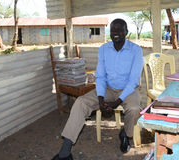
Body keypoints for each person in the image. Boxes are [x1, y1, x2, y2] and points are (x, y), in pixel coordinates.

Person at [52, 18, 144, 160]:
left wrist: (117, 102)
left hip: (129, 90)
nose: (116, 33)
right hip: (107, 88)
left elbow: (133, 81)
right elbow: (100, 77)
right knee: (81, 102)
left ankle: (125, 134)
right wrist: (101, 99)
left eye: (120, 29)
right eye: (113, 29)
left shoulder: (136, 50)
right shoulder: (104, 49)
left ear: (126, 32)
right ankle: (65, 151)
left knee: (134, 108)